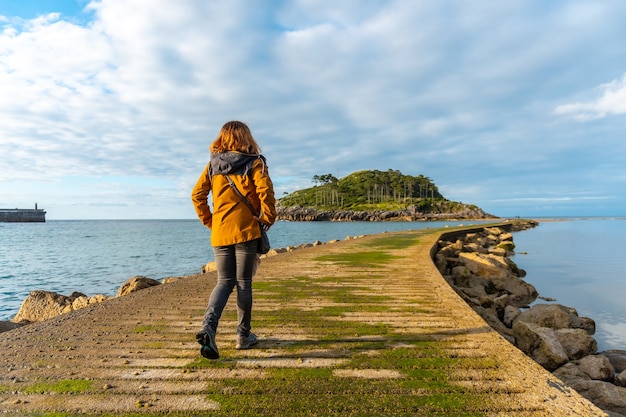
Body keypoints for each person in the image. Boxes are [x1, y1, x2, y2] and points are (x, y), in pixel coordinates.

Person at [191, 121, 276, 359]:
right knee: (244, 283)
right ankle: (243, 335)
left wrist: (211, 222)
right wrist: (268, 216)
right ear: (247, 138)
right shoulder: (255, 162)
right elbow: (265, 191)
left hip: (221, 233)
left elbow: (197, 195)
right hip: (246, 230)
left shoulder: (212, 166)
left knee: (224, 281)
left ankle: (209, 326)